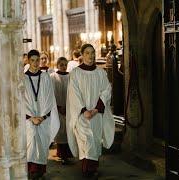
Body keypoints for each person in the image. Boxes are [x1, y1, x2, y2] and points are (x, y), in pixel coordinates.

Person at [66, 44, 115, 178]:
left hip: (96, 114)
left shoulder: (100, 72)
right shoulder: (76, 73)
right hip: (82, 115)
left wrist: (96, 109)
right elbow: (73, 93)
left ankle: (92, 169)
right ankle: (87, 171)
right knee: (86, 141)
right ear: (82, 55)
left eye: (92, 53)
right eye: (87, 53)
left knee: (95, 140)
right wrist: (84, 110)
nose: (91, 56)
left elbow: (106, 90)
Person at [23, 49, 60, 179]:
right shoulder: (23, 78)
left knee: (42, 145)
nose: (35, 63)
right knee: (31, 145)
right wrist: (31, 117)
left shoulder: (45, 77)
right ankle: (32, 172)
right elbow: (21, 100)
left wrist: (43, 116)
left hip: (44, 118)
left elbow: (50, 97)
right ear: (28, 61)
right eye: (32, 60)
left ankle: (40, 172)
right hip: (28, 119)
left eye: (37, 60)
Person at [50, 57, 73, 165]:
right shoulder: (53, 77)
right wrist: (58, 107)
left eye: (65, 65)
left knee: (68, 131)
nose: (64, 67)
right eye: (61, 65)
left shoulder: (70, 76)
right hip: (58, 108)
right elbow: (51, 93)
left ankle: (67, 154)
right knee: (60, 132)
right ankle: (61, 154)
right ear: (57, 65)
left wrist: (68, 106)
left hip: (68, 108)